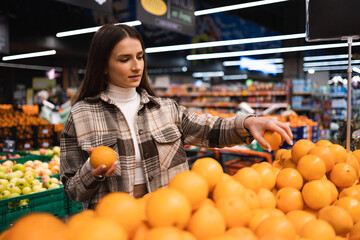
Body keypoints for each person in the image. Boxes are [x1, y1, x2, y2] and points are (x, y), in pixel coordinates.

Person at [60, 24, 293, 209]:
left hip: (170, 216)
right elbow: (71, 189)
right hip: (114, 225)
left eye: (140, 57)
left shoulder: (165, 108)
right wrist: (91, 173)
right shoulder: (80, 116)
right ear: (102, 65)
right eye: (124, 59)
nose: (136, 66)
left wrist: (248, 121)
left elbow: (210, 129)